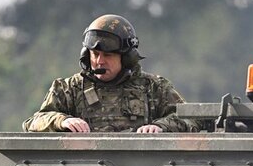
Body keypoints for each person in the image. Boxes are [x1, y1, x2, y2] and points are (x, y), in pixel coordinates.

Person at [22, 14, 198, 133]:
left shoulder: (154, 88)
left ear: (127, 58)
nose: (99, 61)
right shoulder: (69, 89)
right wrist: (62, 121)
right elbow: (33, 122)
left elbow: (192, 120)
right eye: (95, 54)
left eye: (108, 55)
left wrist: (160, 126)